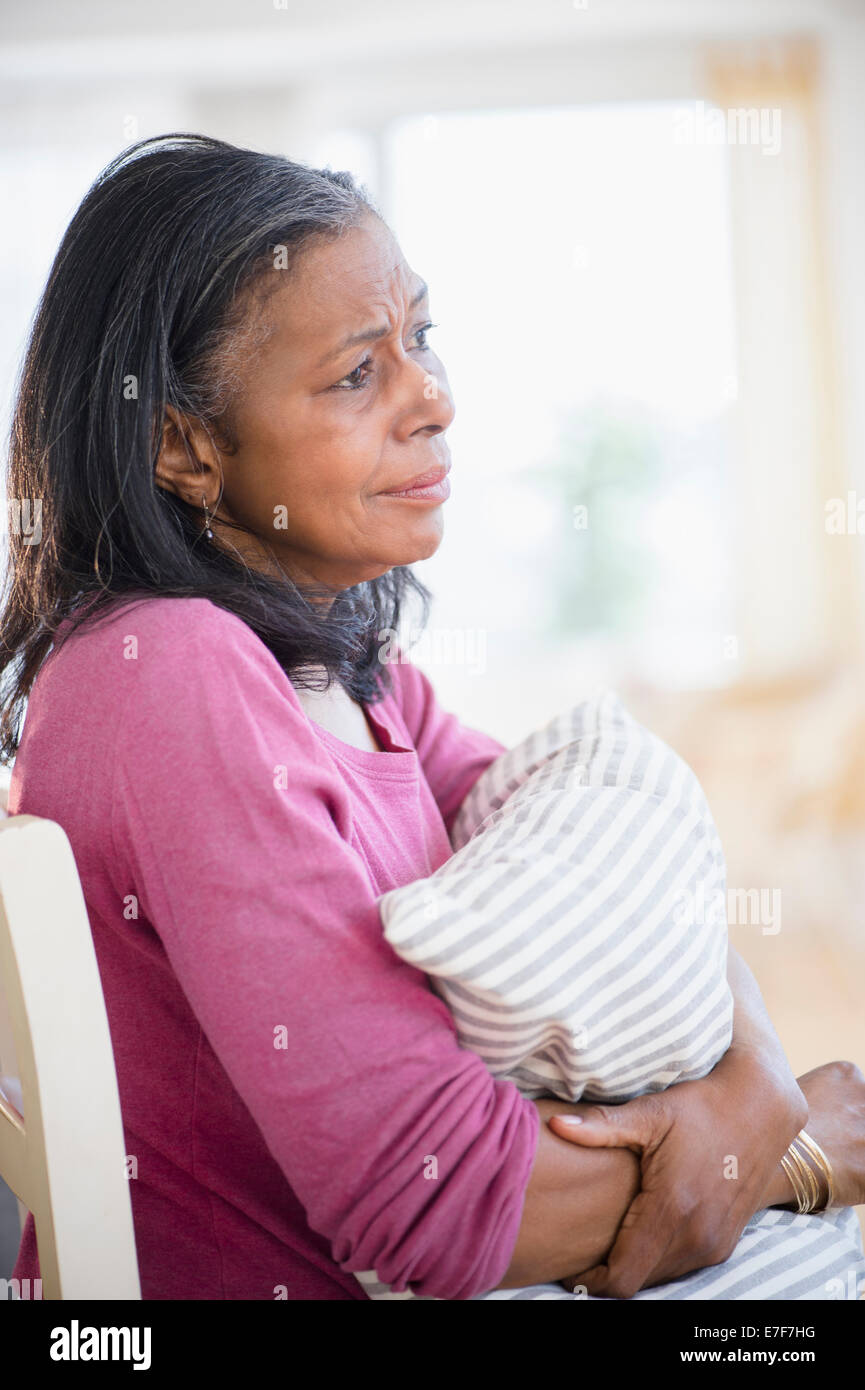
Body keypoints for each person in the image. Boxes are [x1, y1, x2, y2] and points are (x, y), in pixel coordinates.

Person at [2, 134, 864, 1301]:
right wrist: (780, 1149)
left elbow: (612, 886)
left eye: (420, 340)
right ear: (183, 445)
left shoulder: (347, 670)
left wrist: (753, 1079)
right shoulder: (171, 678)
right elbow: (445, 1200)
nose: (435, 397)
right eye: (357, 373)